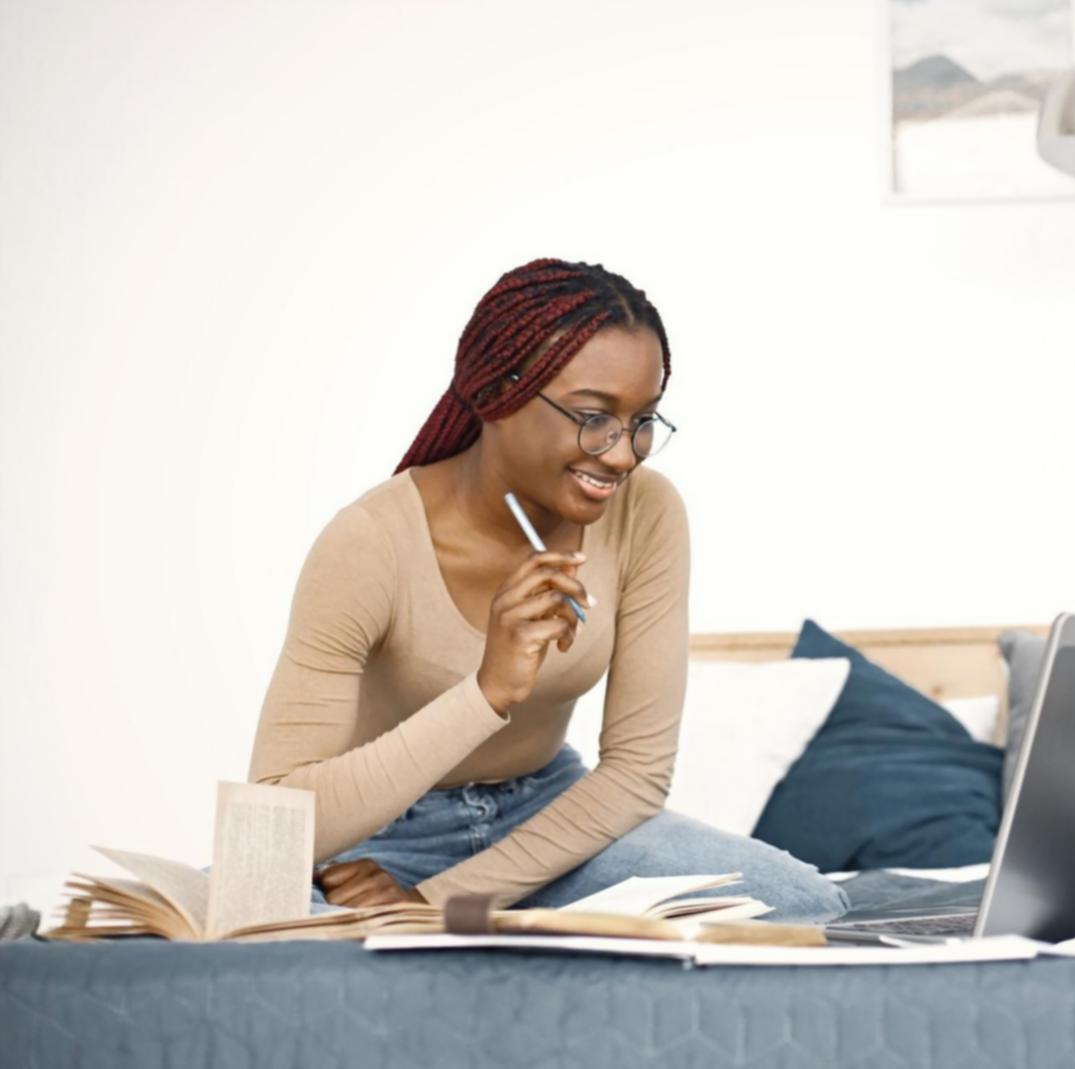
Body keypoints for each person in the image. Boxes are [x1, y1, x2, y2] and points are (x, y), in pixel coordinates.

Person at [247, 257, 848, 922]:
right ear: (496, 395)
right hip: (380, 837)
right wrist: (487, 692)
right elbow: (274, 819)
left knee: (800, 902)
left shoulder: (646, 512)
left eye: (643, 420)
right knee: (242, 920)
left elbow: (636, 773)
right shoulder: (369, 542)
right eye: (593, 416)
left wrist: (438, 903)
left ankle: (479, 924)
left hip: (554, 820)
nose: (622, 454)